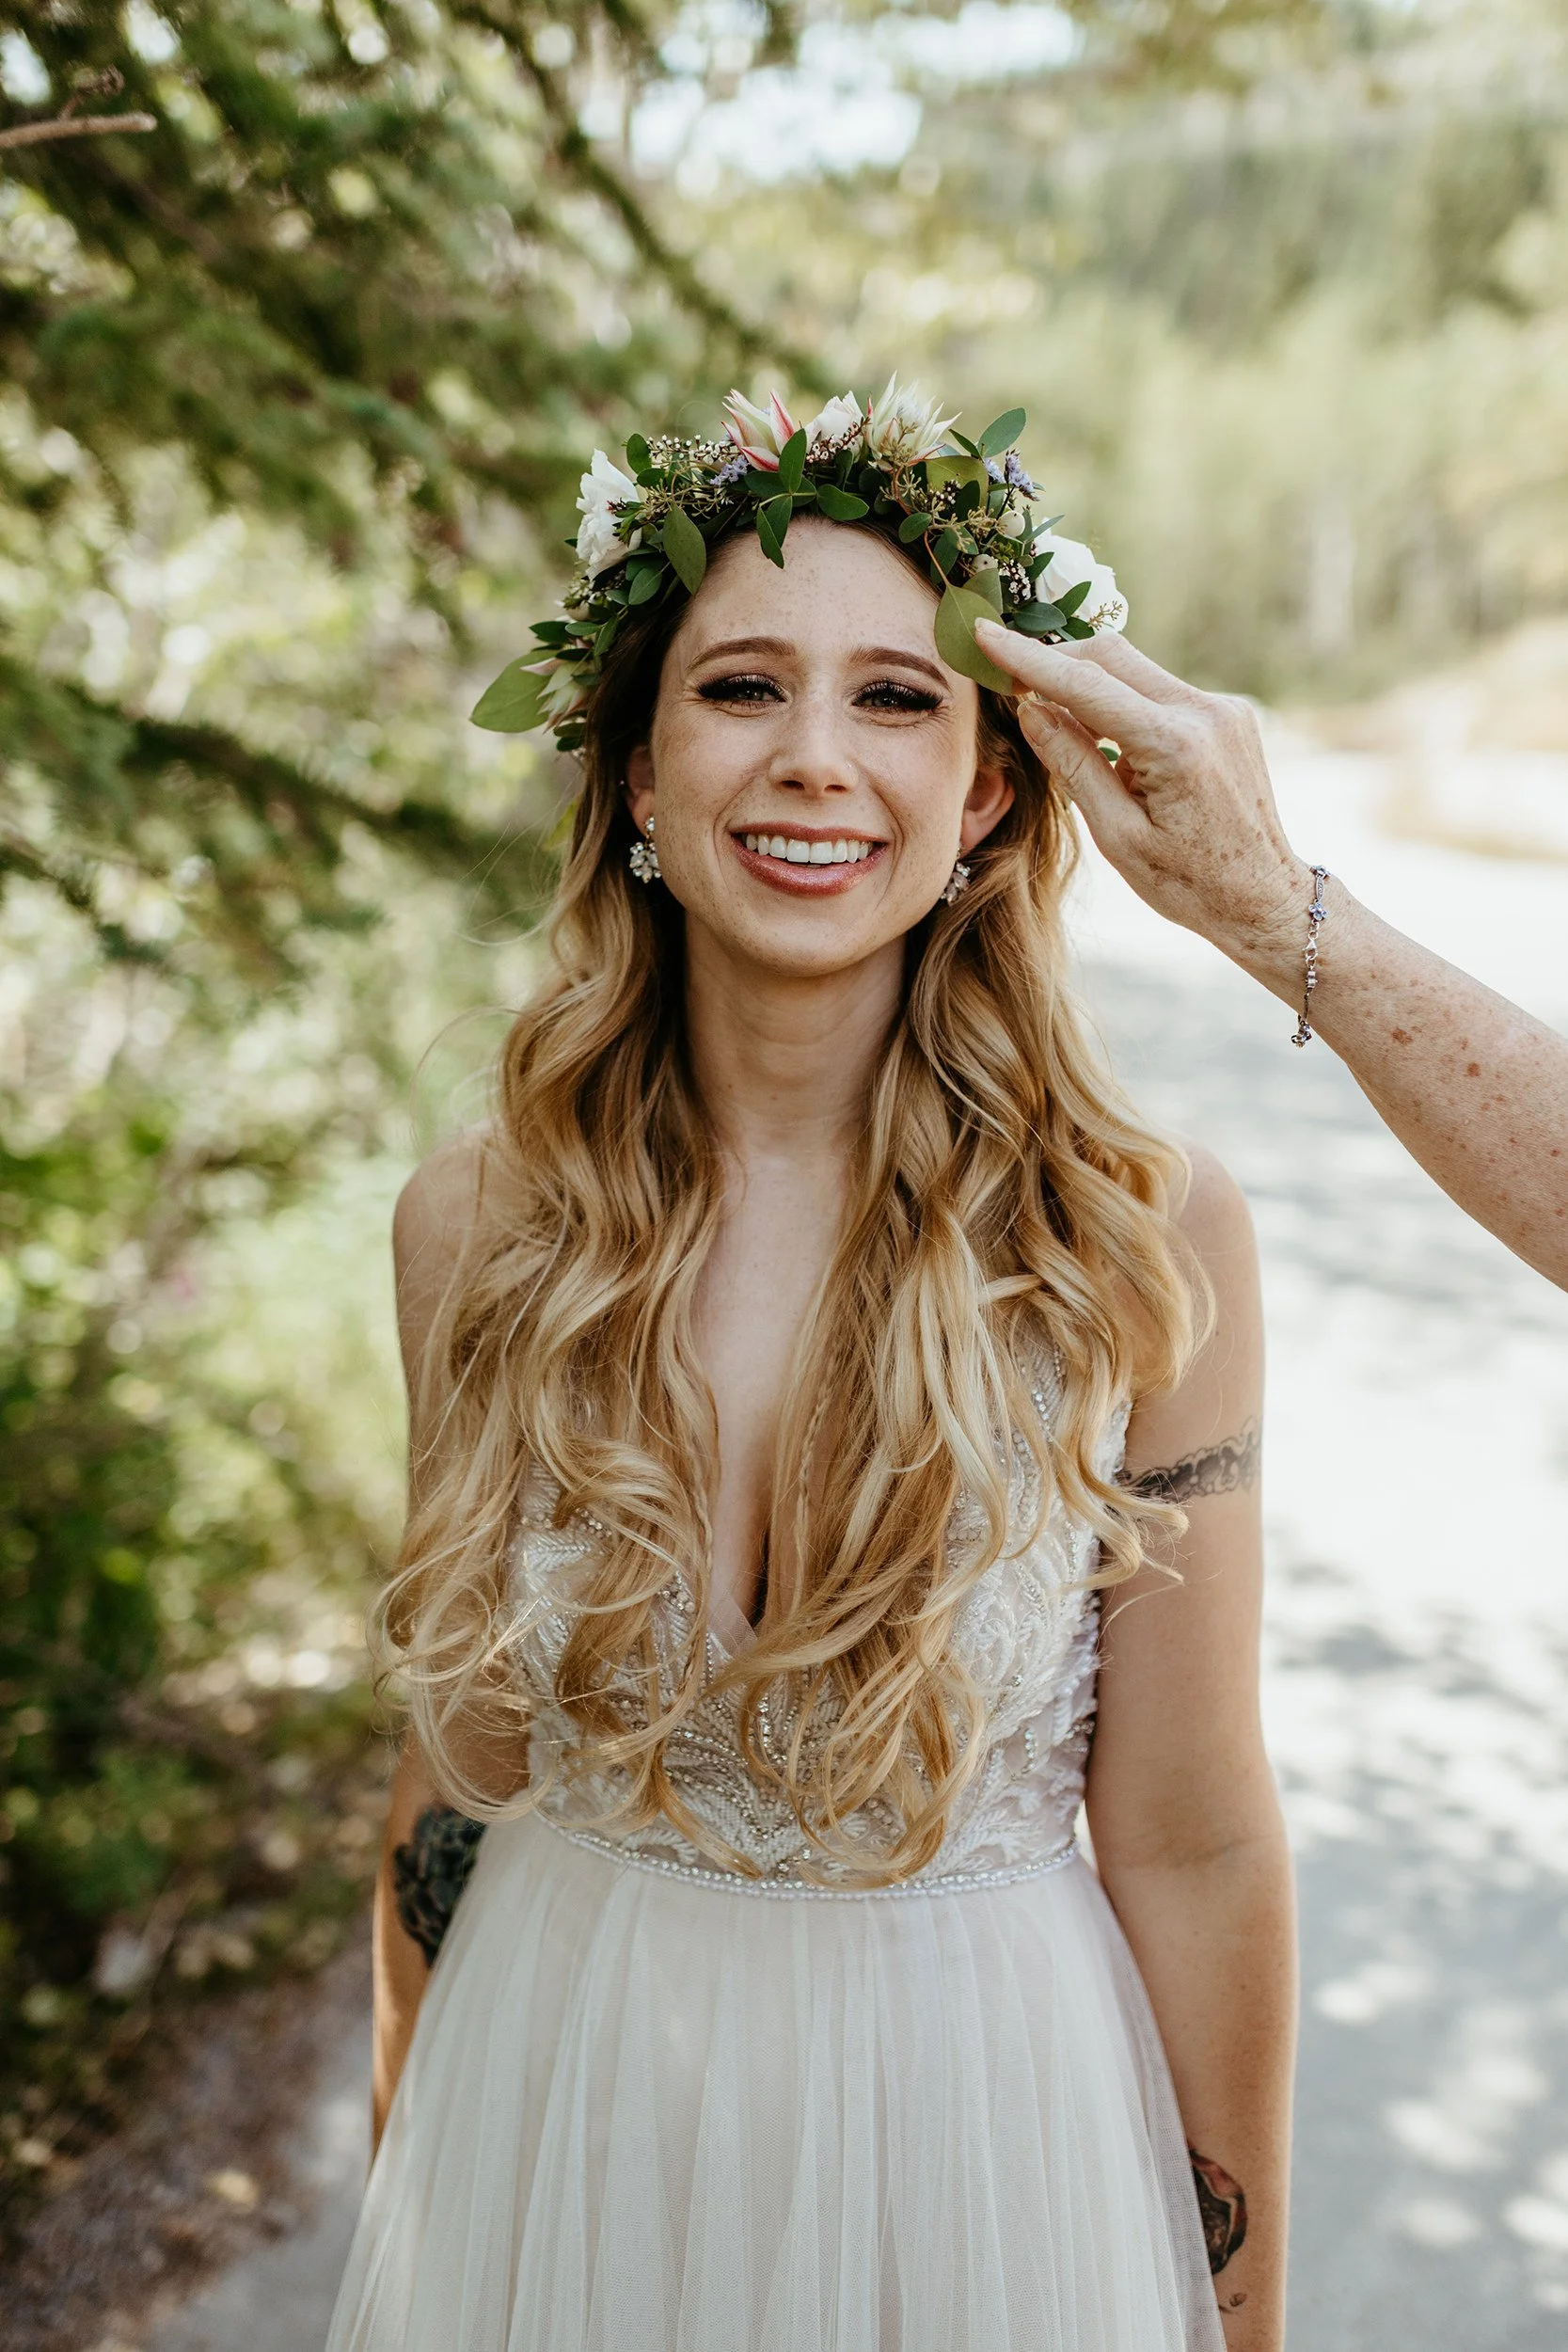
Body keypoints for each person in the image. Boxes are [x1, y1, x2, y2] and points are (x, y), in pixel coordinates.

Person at [326, 386, 1296, 2352]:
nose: (810, 760)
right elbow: (452, 1773)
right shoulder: (476, 1230)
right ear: (628, 774)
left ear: (989, 796)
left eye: (894, 699)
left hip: (979, 2144)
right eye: (741, 684)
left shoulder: (1130, 1239)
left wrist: (1242, 2314)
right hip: (568, 2100)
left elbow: (1189, 1837)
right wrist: (416, 2151)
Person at [974, 622, 1568, 1291]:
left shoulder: (1167, 1224)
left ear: (980, 791)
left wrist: (1273, 903)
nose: (824, 764)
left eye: (889, 698)